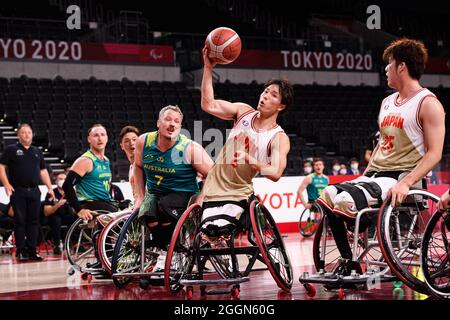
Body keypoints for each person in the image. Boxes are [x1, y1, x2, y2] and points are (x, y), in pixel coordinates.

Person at [316, 38, 445, 279]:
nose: (385, 69)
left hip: (402, 176)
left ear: (402, 67)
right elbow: (381, 144)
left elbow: (435, 153)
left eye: (389, 64)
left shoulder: (428, 104)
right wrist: (363, 176)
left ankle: (368, 220)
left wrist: (407, 182)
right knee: (328, 195)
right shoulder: (386, 103)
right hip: (375, 175)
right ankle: (349, 262)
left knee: (345, 201)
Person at [199, 45, 293, 239]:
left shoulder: (279, 137)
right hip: (212, 188)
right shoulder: (243, 111)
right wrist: (208, 68)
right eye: (265, 91)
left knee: (223, 230)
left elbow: (275, 173)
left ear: (281, 106)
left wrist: (252, 160)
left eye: (273, 95)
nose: (265, 96)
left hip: (238, 194)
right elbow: (209, 104)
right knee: (206, 233)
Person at [134, 105, 214, 271]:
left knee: (164, 207)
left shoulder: (189, 148)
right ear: (158, 123)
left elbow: (212, 173)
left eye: (177, 121)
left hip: (183, 193)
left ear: (180, 127)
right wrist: (139, 197)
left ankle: (166, 253)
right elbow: (138, 166)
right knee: (145, 212)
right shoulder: (144, 141)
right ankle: (167, 246)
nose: (172, 124)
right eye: (168, 119)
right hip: (155, 192)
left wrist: (200, 198)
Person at [0, 123, 55, 261]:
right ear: (19, 135)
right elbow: (1, 167)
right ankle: (21, 250)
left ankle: (32, 250)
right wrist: (6, 184)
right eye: (23, 132)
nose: (26, 135)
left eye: (29, 132)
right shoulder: (11, 149)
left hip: (35, 191)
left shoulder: (37, 151)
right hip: (18, 191)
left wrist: (49, 187)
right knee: (20, 221)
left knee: (34, 221)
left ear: (32, 134)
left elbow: (43, 171)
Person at [62, 124, 118, 222]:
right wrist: (79, 209)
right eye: (96, 135)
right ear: (89, 139)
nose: (100, 138)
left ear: (107, 138)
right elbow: (67, 185)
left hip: (105, 203)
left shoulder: (106, 160)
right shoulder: (85, 160)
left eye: (102, 135)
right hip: (91, 205)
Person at [96, 125, 140, 227]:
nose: (131, 143)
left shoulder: (143, 163)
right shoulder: (131, 166)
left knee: (103, 220)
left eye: (134, 139)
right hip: (135, 206)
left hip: (143, 207)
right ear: (121, 145)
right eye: (127, 141)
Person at [42, 172, 77, 254]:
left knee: (77, 218)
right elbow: (46, 212)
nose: (63, 181)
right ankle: (56, 245)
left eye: (64, 179)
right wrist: (57, 205)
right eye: (60, 179)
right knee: (56, 220)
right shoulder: (51, 193)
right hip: (55, 216)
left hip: (67, 216)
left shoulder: (71, 192)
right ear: (56, 181)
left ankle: (76, 243)